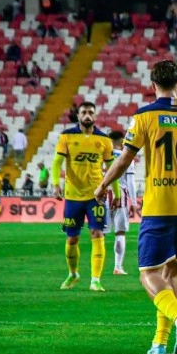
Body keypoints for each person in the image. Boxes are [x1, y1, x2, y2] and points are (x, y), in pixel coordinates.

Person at [94, 60, 177, 354]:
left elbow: (124, 160)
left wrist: (102, 185)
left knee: (148, 273)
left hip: (160, 204)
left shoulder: (145, 116)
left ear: (153, 86)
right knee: (171, 272)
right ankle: (160, 342)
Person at [52, 102, 118, 293]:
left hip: (96, 196)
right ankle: (73, 274)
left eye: (90, 112)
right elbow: (57, 162)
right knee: (72, 238)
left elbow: (112, 168)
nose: (87, 115)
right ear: (78, 115)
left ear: (95, 116)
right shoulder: (66, 136)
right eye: (84, 112)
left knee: (97, 234)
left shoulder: (104, 140)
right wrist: (56, 184)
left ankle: (95, 280)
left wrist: (117, 192)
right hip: (73, 195)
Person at [102, 130, 138, 276]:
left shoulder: (102, 156)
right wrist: (134, 202)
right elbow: (130, 180)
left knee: (100, 233)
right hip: (121, 196)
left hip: (103, 196)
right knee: (120, 232)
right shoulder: (126, 156)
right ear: (122, 141)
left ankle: (98, 266)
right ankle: (117, 267)